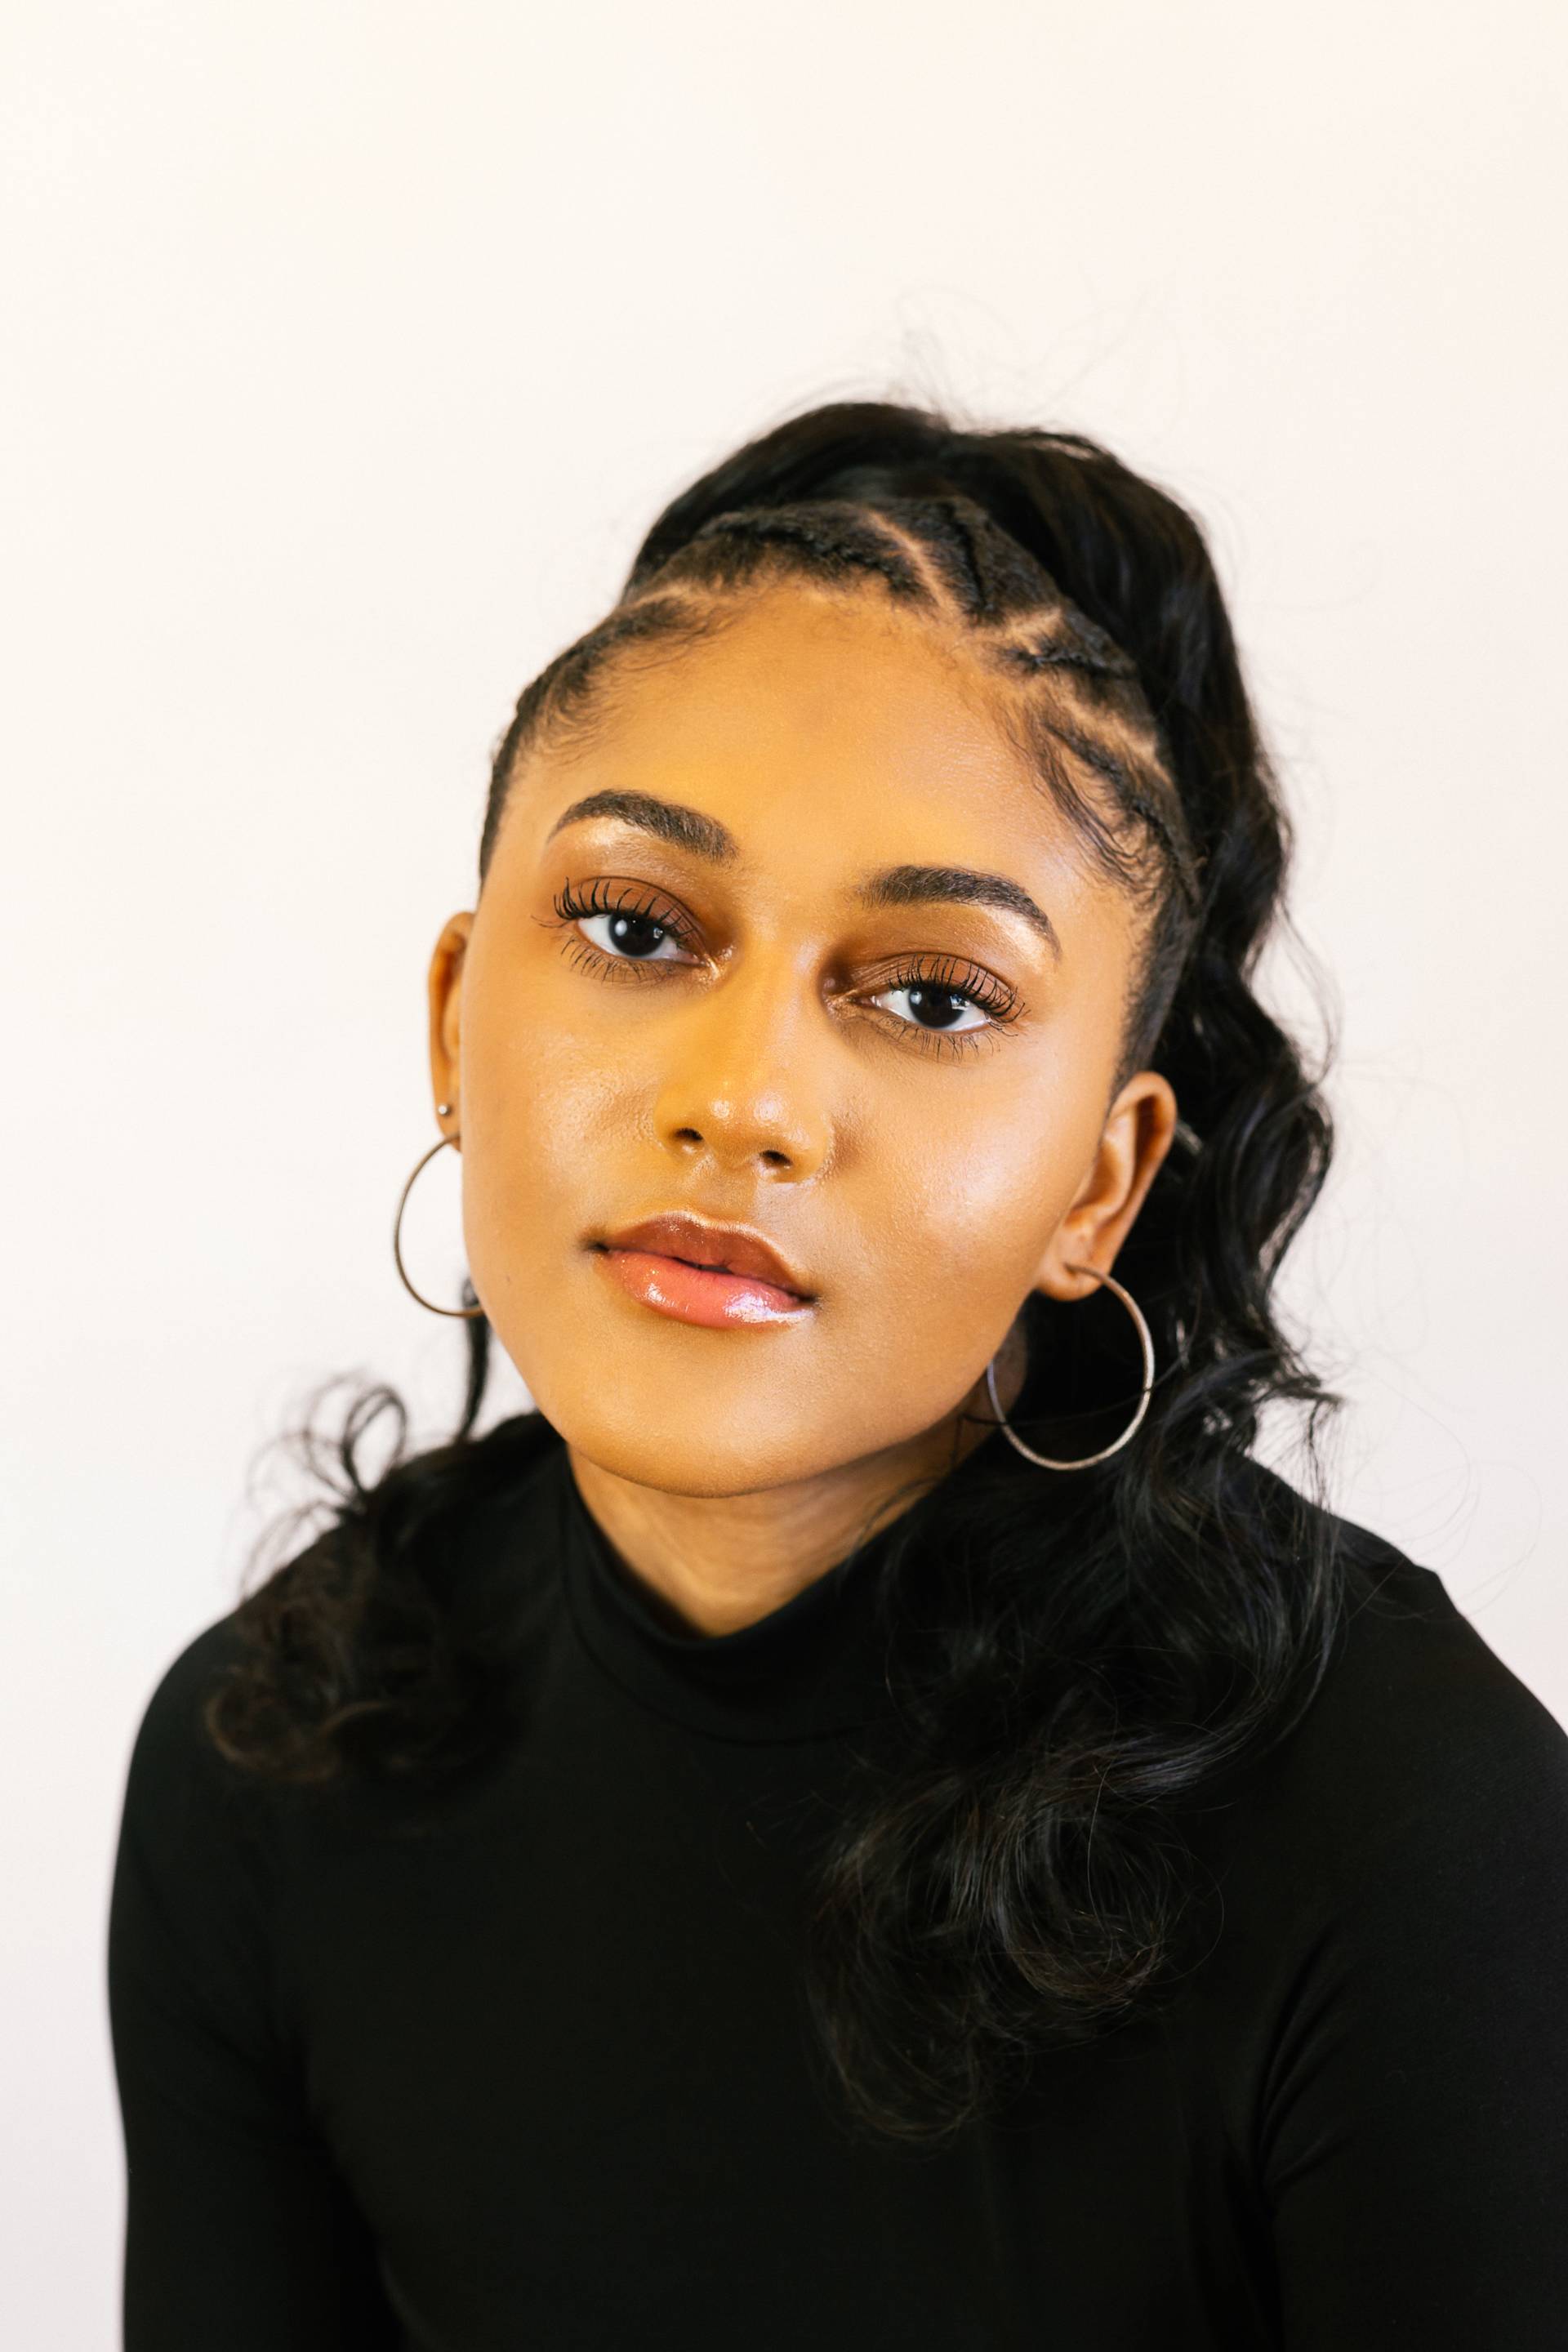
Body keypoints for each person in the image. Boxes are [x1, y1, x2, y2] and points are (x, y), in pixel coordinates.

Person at [107, 399, 1568, 2350]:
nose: (746, 1102)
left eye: (934, 997)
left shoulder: (1418, 1846)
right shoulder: (265, 1772)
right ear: (459, 1020)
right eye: (635, 928)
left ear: (1098, 1183)